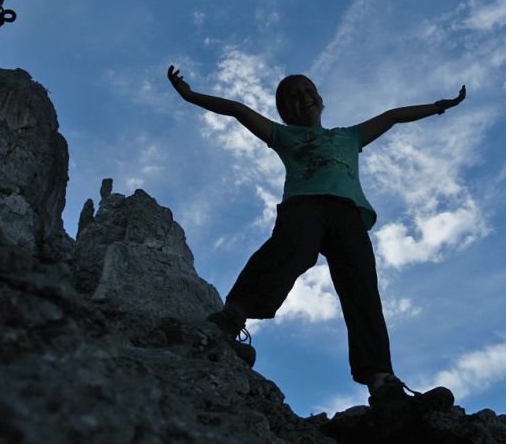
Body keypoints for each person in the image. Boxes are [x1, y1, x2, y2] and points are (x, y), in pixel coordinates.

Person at [167, 64, 466, 414]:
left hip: (349, 215)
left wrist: (438, 106)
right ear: (284, 111)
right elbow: (236, 109)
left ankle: (383, 385)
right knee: (289, 250)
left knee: (362, 289)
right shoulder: (283, 135)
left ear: (321, 100)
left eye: (308, 90)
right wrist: (190, 96)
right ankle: (229, 319)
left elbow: (393, 116)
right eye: (293, 96)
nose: (304, 97)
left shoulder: (349, 137)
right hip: (305, 206)